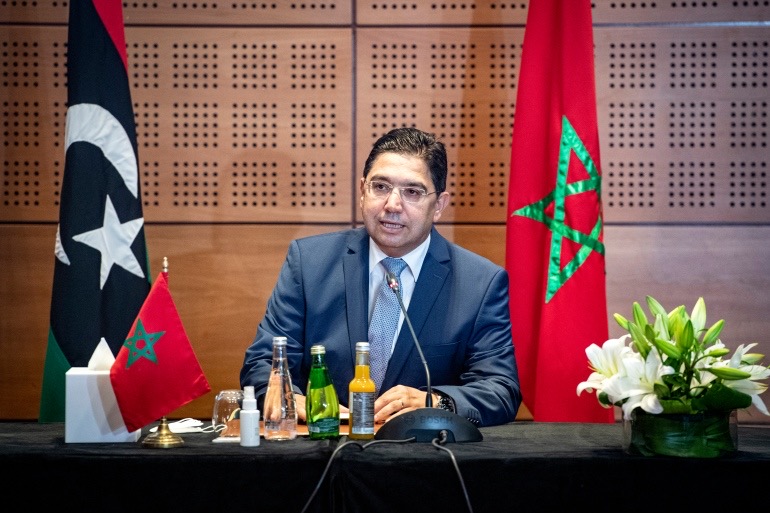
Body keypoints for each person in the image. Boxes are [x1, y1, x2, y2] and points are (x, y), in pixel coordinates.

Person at [240, 127, 521, 427]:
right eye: (381, 187)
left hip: (423, 451)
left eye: (412, 192)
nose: (392, 205)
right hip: (324, 447)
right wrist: (286, 396)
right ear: (363, 191)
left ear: (438, 206)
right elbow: (262, 363)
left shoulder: (479, 283)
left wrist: (435, 401)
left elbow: (500, 389)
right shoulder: (309, 263)